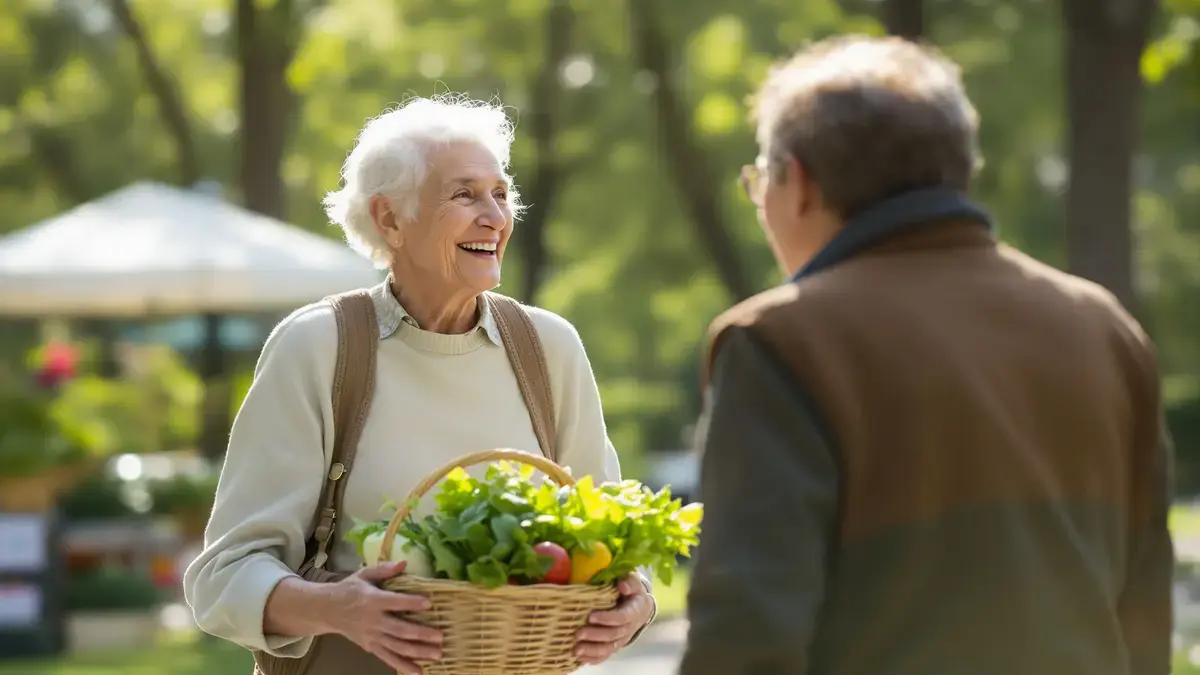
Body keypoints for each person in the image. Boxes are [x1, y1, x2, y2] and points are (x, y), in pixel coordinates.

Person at [679, 35, 1173, 675]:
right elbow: (1145, 611)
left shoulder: (782, 340)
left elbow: (747, 633)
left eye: (759, 181)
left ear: (796, 182)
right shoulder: (1103, 327)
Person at [183, 95, 655, 675]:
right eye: (464, 194)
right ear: (389, 219)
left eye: (501, 194)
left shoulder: (548, 348)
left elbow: (608, 535)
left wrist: (636, 600)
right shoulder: (319, 348)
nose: (496, 217)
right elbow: (225, 576)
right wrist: (337, 608)